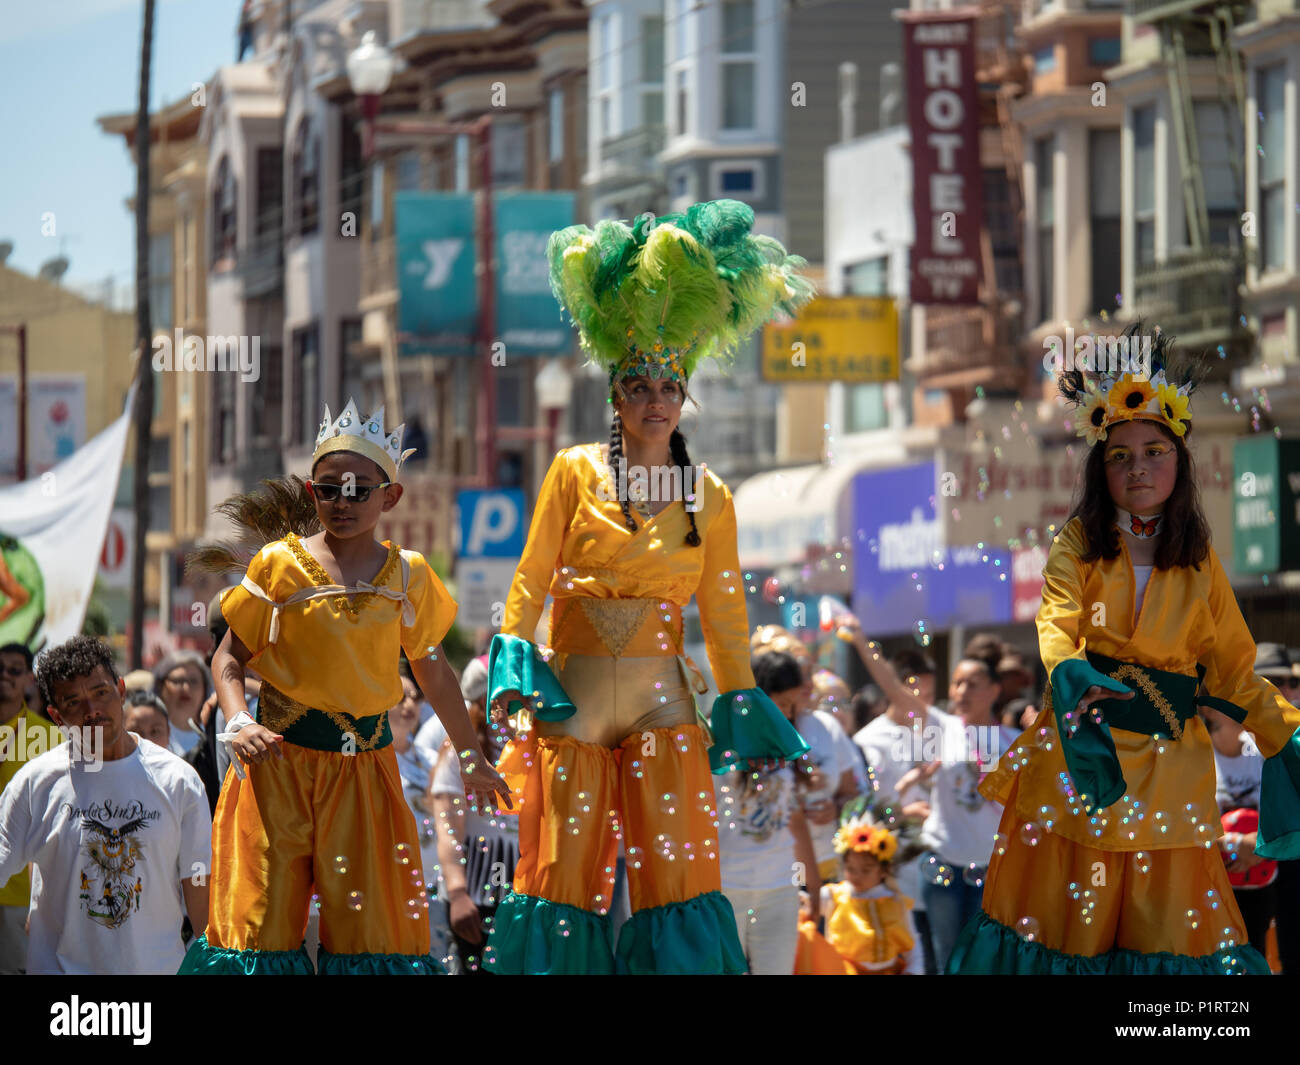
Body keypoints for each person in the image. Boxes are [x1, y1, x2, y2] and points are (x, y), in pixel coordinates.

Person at [484, 200, 814, 974]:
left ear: (685, 395)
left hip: (664, 700)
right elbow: (530, 576)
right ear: (615, 396)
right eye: (637, 384)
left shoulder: (713, 496)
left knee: (681, 875)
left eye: (669, 385)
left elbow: (727, 617)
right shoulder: (573, 471)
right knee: (559, 877)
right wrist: (510, 653)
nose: (655, 398)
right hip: (573, 696)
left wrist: (741, 700)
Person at [949, 327, 1300, 975]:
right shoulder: (1078, 542)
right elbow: (1057, 622)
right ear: (1098, 466)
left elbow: (1235, 670)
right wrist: (1075, 673)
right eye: (1120, 455)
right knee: (1067, 945)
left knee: (1166, 953)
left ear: (1181, 460)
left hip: (1170, 783)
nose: (1137, 466)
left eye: (1154, 450)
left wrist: (1287, 733)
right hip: (1084, 766)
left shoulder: (1199, 561)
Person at [178, 401, 510, 975]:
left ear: (391, 497)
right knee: (258, 937)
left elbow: (432, 671)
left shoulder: (409, 575)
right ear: (312, 492)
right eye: (330, 489)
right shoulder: (278, 566)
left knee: (372, 941)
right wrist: (238, 721)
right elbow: (228, 657)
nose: (344, 502)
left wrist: (470, 753)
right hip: (278, 771)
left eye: (360, 490)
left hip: (366, 776)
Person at [0, 636, 210, 974]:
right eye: (73, 702)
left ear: (121, 690)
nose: (92, 711)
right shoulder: (35, 784)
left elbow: (200, 890)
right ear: (55, 715)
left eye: (101, 693)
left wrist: (211, 965)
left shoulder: (178, 781)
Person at [900, 648, 1016, 972]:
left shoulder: (1014, 742)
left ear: (995, 690)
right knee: (947, 959)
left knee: (983, 961)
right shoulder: (942, 728)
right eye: (957, 683)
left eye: (973, 683)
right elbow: (896, 693)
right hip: (943, 865)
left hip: (992, 871)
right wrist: (858, 637)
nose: (962, 691)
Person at [715, 651, 820, 975]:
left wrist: (813, 887)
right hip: (727, 888)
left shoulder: (788, 749)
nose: (788, 714)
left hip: (780, 887)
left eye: (793, 705)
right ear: (758, 696)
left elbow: (795, 821)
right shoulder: (717, 744)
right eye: (782, 703)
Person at [432, 665, 519, 975]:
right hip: (474, 895)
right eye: (503, 700)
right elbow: (447, 827)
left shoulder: (526, 750)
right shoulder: (460, 756)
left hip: (519, 896)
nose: (511, 709)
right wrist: (457, 894)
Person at [0, 641, 61, 973]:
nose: (4, 676)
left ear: (29, 680)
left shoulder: (52, 739)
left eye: (14, 670)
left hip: (24, 896)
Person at [801, 817, 921, 974]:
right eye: (850, 868)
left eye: (866, 869)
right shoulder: (833, 896)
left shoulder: (897, 902)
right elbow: (804, 906)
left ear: (884, 870)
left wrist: (913, 971)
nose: (857, 876)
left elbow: (913, 948)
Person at [151, 651, 211, 757]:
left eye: (193, 681)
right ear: (160, 687)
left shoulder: (215, 732)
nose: (186, 688)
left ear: (205, 688)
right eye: (178, 681)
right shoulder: (149, 731)